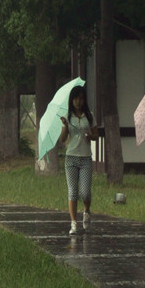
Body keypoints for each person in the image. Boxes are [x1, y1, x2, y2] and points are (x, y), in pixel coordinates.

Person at [56, 85, 98, 235]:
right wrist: (65, 127)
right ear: (71, 100)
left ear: (84, 100)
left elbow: (96, 135)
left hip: (86, 158)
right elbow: (62, 139)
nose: (78, 102)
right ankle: (73, 223)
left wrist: (90, 136)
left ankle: (86, 211)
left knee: (85, 192)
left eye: (81, 98)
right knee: (73, 191)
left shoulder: (90, 116)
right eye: (75, 99)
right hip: (71, 158)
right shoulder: (68, 116)